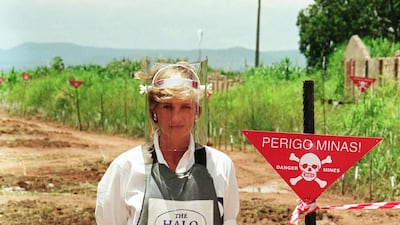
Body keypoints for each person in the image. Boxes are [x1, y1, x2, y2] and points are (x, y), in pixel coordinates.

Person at [95, 62, 240, 225]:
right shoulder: (126, 168)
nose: (176, 118)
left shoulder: (220, 167)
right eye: (167, 107)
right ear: (153, 110)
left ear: (197, 112)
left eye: (185, 107)